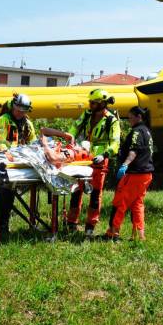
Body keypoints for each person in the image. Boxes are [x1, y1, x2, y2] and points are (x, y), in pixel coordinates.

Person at [0, 93, 37, 237]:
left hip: (17, 165)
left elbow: (33, 141)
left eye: (24, 111)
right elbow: (0, 140)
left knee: (9, 197)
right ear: (13, 107)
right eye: (19, 110)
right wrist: (8, 153)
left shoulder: (27, 123)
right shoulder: (3, 120)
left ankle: (3, 226)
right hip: (2, 163)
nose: (21, 113)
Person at [65, 88, 121, 237]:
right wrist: (70, 138)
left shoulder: (111, 120)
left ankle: (90, 226)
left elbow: (115, 143)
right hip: (83, 157)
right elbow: (75, 127)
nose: (90, 104)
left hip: (99, 161)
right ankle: (71, 223)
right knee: (77, 190)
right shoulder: (87, 114)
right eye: (90, 102)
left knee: (95, 195)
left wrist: (105, 154)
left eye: (93, 102)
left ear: (102, 103)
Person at [106, 106, 154, 241]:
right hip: (147, 174)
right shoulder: (147, 131)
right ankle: (139, 235)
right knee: (137, 204)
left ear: (139, 117)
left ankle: (113, 232)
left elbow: (133, 151)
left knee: (121, 202)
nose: (129, 121)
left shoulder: (137, 132)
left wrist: (124, 165)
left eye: (131, 118)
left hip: (135, 174)